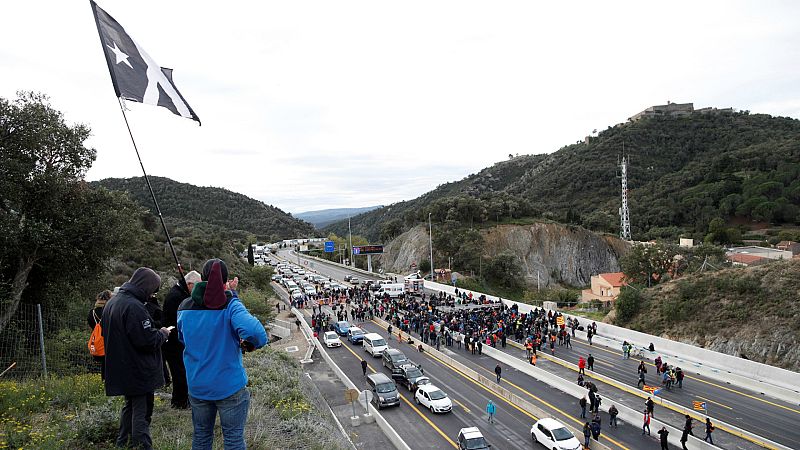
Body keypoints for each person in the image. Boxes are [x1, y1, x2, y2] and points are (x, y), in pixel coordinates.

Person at [178, 259, 268, 450]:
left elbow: (182, 338)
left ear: (202, 279)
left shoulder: (184, 307)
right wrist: (249, 345)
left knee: (201, 436)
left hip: (197, 385)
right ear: (225, 283)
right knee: (233, 440)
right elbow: (257, 333)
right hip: (229, 386)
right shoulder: (230, 305)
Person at [101, 267, 171, 450]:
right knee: (142, 411)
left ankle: (122, 443)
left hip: (121, 367)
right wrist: (163, 333)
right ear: (146, 287)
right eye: (152, 290)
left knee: (129, 407)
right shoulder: (134, 307)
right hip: (138, 369)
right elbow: (146, 341)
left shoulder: (112, 303)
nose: (152, 295)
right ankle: (142, 446)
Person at [163, 270, 201, 409]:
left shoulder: (180, 293)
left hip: (177, 341)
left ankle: (183, 400)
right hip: (173, 342)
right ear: (189, 284)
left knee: (182, 371)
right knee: (179, 372)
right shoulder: (176, 297)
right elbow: (177, 320)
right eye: (196, 286)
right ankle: (179, 402)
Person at [87, 289, 112, 380]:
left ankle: (104, 381)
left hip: (98, 341)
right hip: (109, 341)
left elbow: (92, 326)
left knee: (104, 364)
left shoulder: (92, 313)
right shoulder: (109, 312)